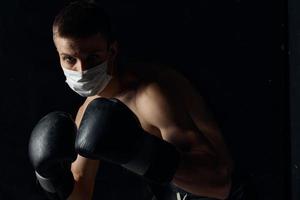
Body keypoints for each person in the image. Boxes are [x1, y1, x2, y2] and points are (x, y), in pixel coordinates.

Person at [28, 1, 234, 200]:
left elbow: (220, 185)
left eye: (93, 58)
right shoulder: (89, 110)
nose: (81, 70)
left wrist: (137, 151)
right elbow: (80, 192)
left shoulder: (150, 96)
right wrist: (50, 176)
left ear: (112, 51)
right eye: (70, 59)